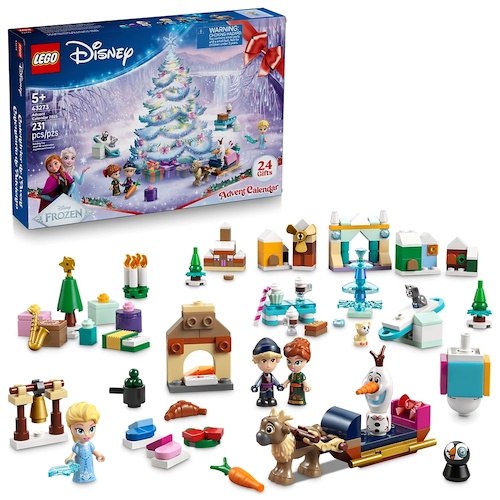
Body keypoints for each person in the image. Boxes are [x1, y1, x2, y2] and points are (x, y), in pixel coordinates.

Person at [65, 402, 105, 483]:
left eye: (91, 429)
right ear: (70, 428)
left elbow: (94, 451)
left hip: (89, 467)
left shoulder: (89, 445)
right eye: (80, 430)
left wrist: (99, 456)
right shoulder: (77, 446)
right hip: (79, 468)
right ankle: (79, 478)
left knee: (90, 471)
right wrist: (70, 459)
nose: (87, 434)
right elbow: (72, 455)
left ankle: (91, 477)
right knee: (80, 473)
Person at [251, 337, 284, 406]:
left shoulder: (271, 376)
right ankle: (262, 399)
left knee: (270, 395)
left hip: (270, 388)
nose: (268, 365)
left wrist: (278, 385)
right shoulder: (262, 376)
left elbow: (275, 381)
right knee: (263, 395)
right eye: (264, 361)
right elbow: (259, 381)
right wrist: (255, 386)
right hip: (263, 388)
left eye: (272, 360)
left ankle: (271, 399)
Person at [282, 337, 312, 405]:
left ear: (306, 361)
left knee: (299, 397)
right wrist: (284, 384)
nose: (292, 366)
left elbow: (304, 382)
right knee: (292, 397)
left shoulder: (301, 375)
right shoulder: (292, 375)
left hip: (299, 390)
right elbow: (288, 380)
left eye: (297, 363)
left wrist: (306, 386)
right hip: (292, 389)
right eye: (289, 362)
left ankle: (300, 402)